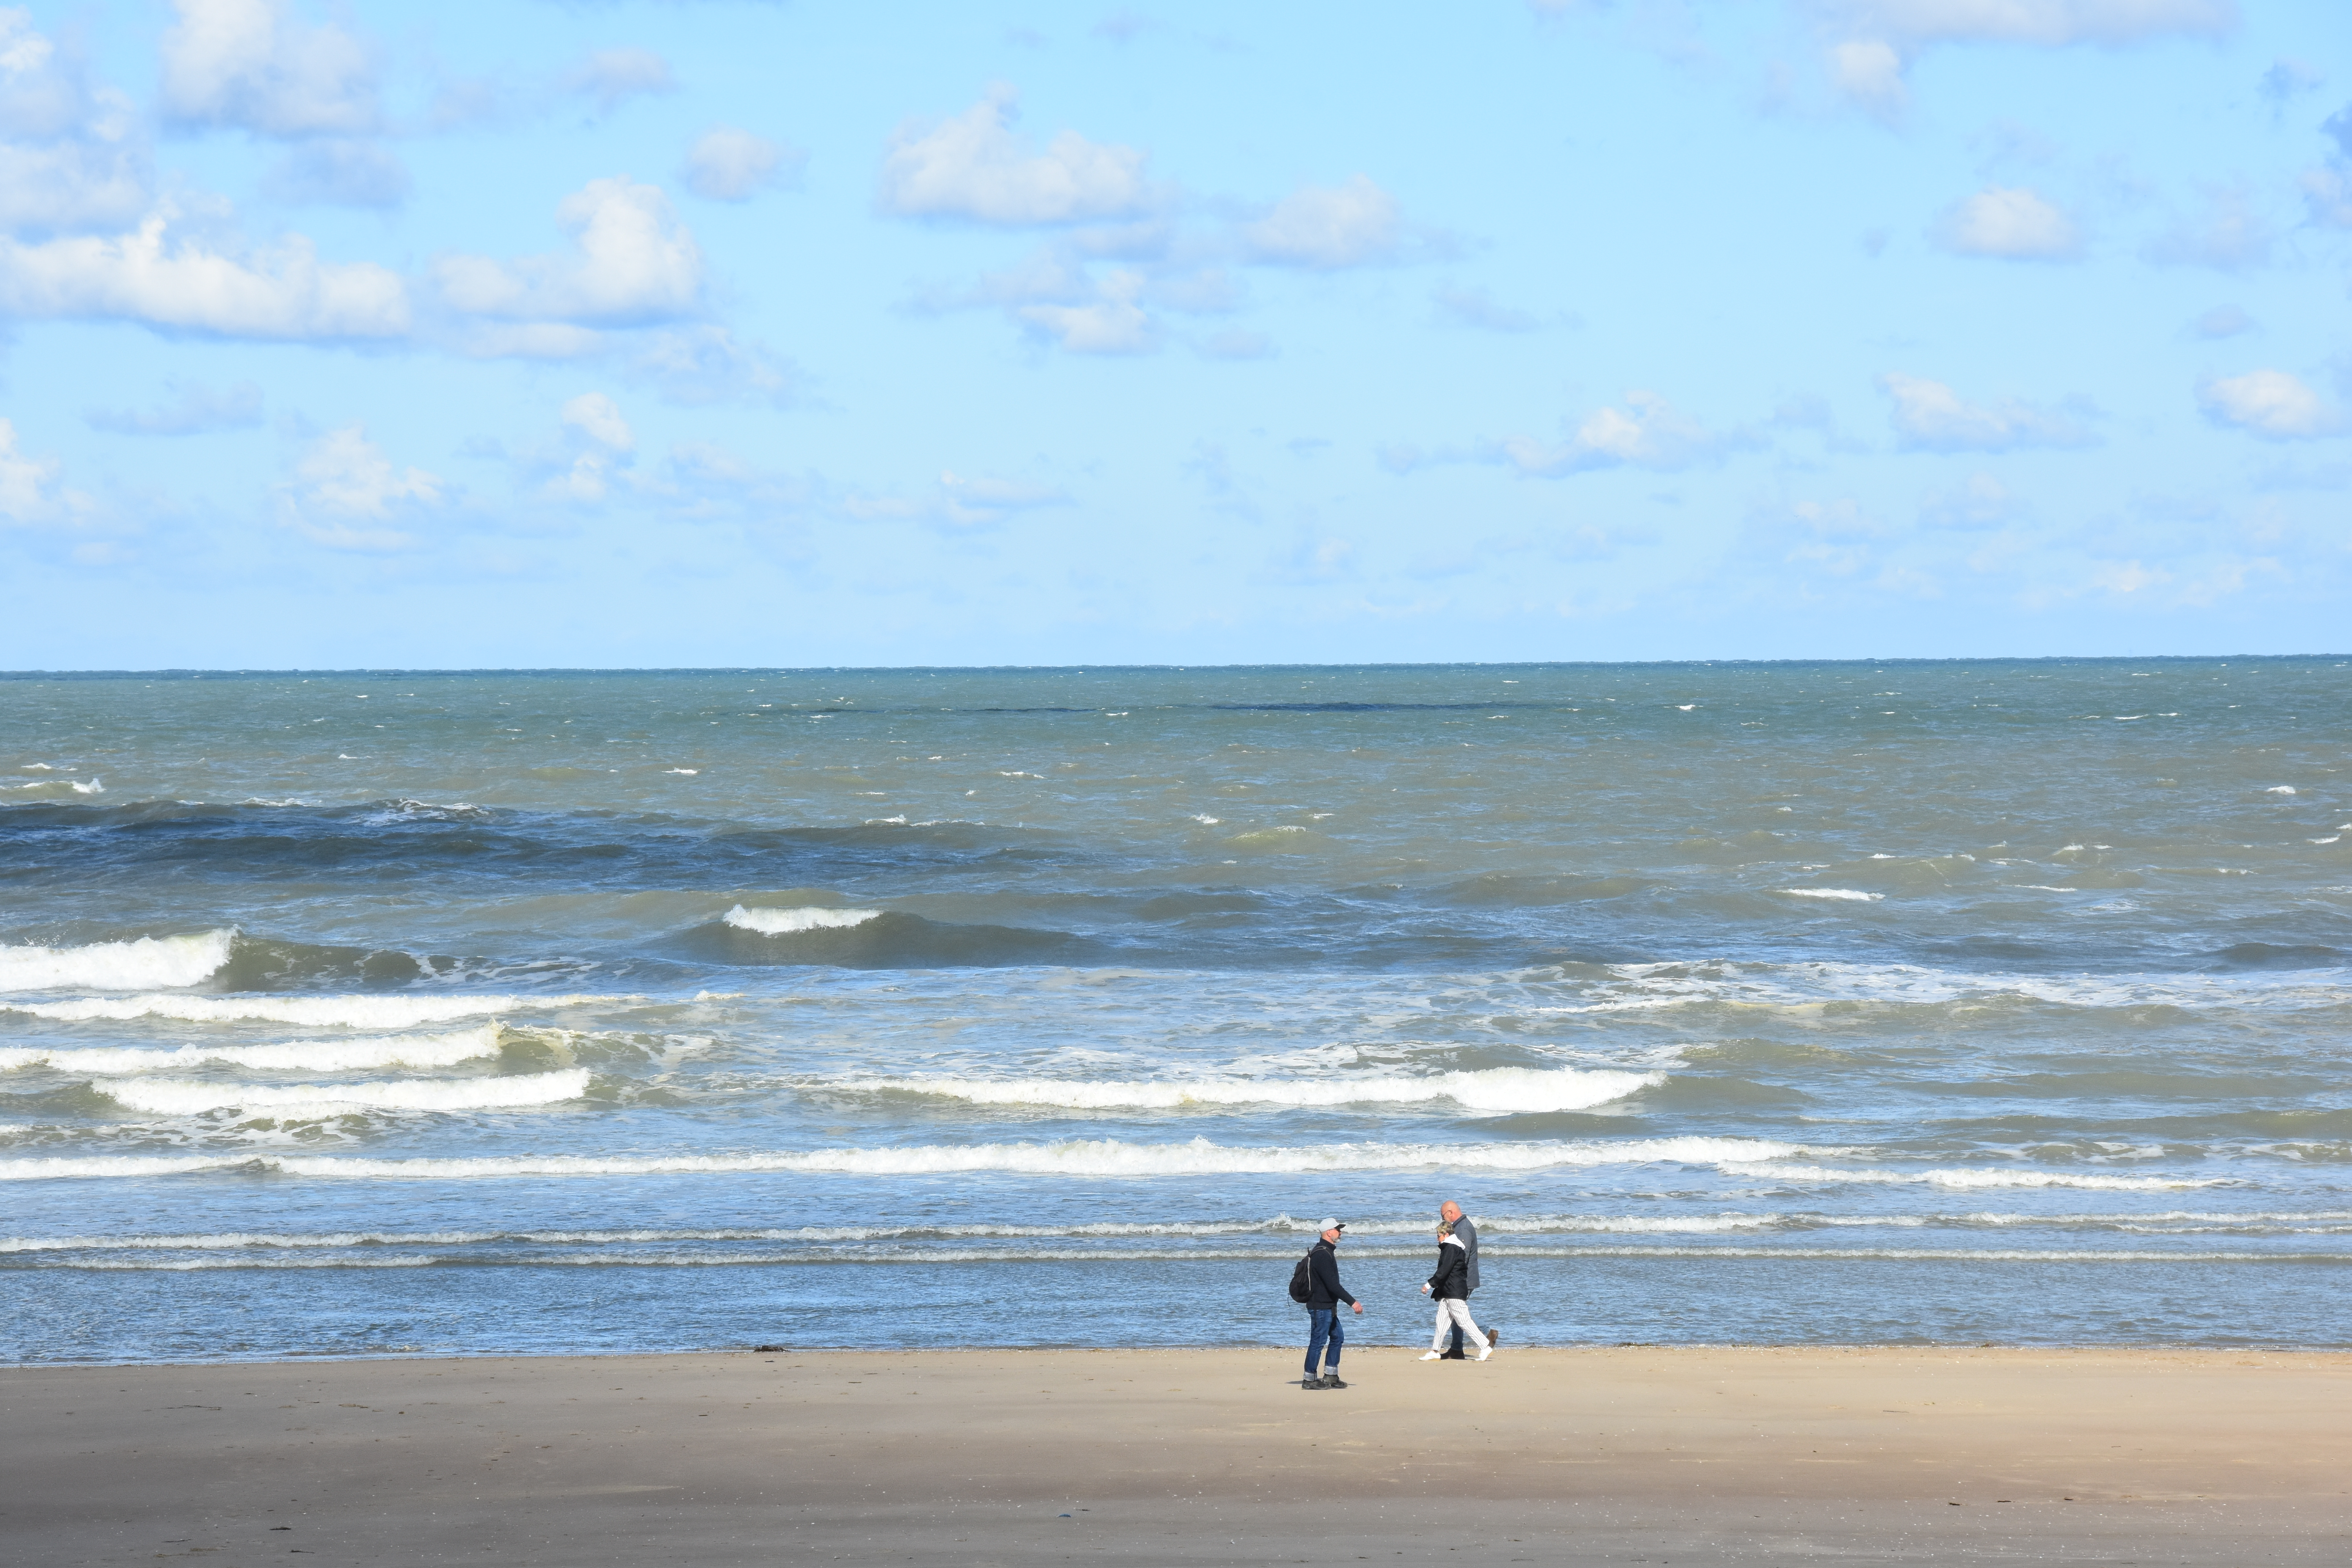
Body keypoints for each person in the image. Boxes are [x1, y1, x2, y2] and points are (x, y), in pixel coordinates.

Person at [1301, 1219, 1362, 1390]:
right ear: (1329, 1232)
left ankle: (1331, 1375)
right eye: (1337, 1229)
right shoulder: (1322, 1254)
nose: (1340, 1232)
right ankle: (1309, 1379)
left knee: (1338, 1337)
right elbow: (1333, 1285)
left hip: (1328, 1307)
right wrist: (1353, 1302)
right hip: (1320, 1307)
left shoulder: (1326, 1251)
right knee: (1318, 1342)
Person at [1419, 1220, 1492, 1362]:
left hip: (1455, 1292)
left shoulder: (1452, 1248)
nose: (1437, 1238)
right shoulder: (1452, 1247)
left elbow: (1444, 1271)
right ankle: (1435, 1351)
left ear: (1446, 1235)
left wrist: (1429, 1285)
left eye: (1439, 1235)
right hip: (1449, 1292)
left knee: (1464, 1322)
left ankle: (1485, 1346)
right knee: (1441, 1322)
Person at [1437, 1200, 1496, 1358]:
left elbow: (1461, 1256)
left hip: (1463, 1279)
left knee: (1458, 1312)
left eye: (1443, 1216)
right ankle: (1457, 1348)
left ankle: (1486, 1332)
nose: (1443, 1220)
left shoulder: (1463, 1228)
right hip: (1461, 1278)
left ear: (1451, 1213)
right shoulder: (1460, 1227)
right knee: (1456, 1312)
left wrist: (1451, 1276)